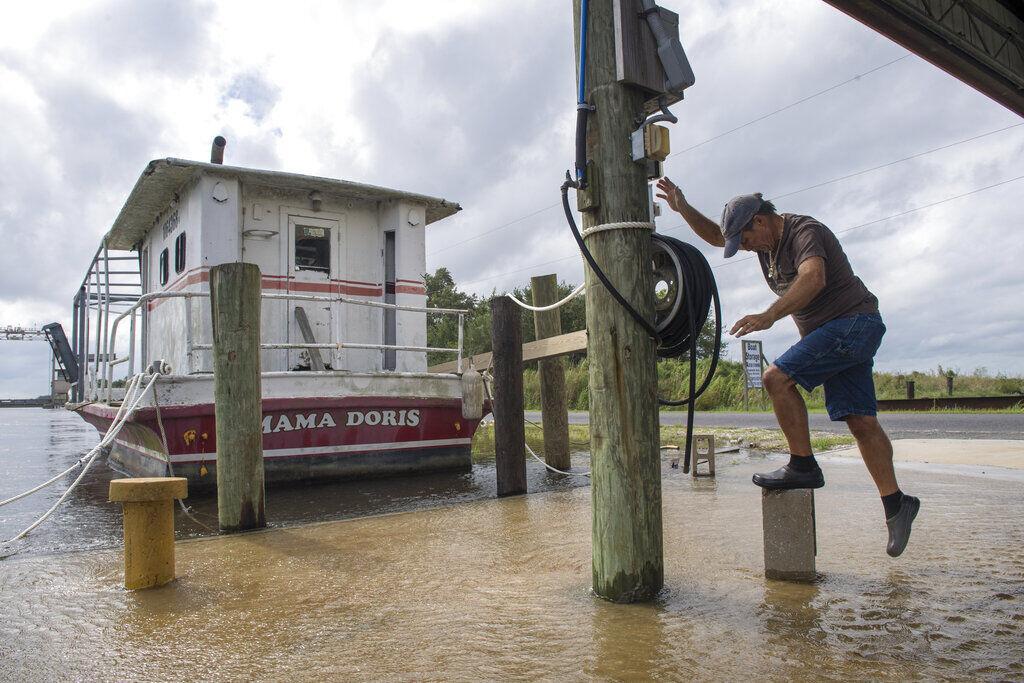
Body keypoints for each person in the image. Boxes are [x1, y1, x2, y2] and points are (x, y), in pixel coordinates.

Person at [655, 177, 919, 557]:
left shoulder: (803, 231)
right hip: (841, 333)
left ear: (760, 221)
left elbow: (814, 277)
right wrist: (683, 208)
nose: (745, 248)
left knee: (776, 378)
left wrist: (770, 315)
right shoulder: (764, 244)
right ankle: (897, 505)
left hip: (852, 324)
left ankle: (803, 464)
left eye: (745, 240)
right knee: (861, 422)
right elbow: (716, 235)